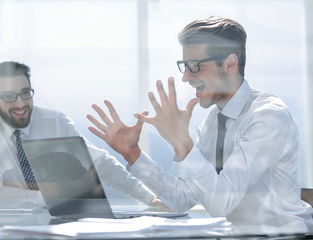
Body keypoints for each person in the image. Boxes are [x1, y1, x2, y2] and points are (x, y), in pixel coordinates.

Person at [87, 16, 313, 232]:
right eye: (184, 65)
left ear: (230, 63)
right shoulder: (212, 122)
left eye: (194, 65)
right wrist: (133, 154)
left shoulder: (268, 117)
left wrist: (181, 142)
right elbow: (182, 198)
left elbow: (222, 203)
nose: (186, 77)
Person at [0, 61, 160, 209]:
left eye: (26, 93)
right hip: (9, 229)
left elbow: (99, 163)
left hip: (62, 222)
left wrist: (149, 198)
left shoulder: (55, 122)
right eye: (9, 96)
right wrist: (54, 193)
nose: (20, 104)